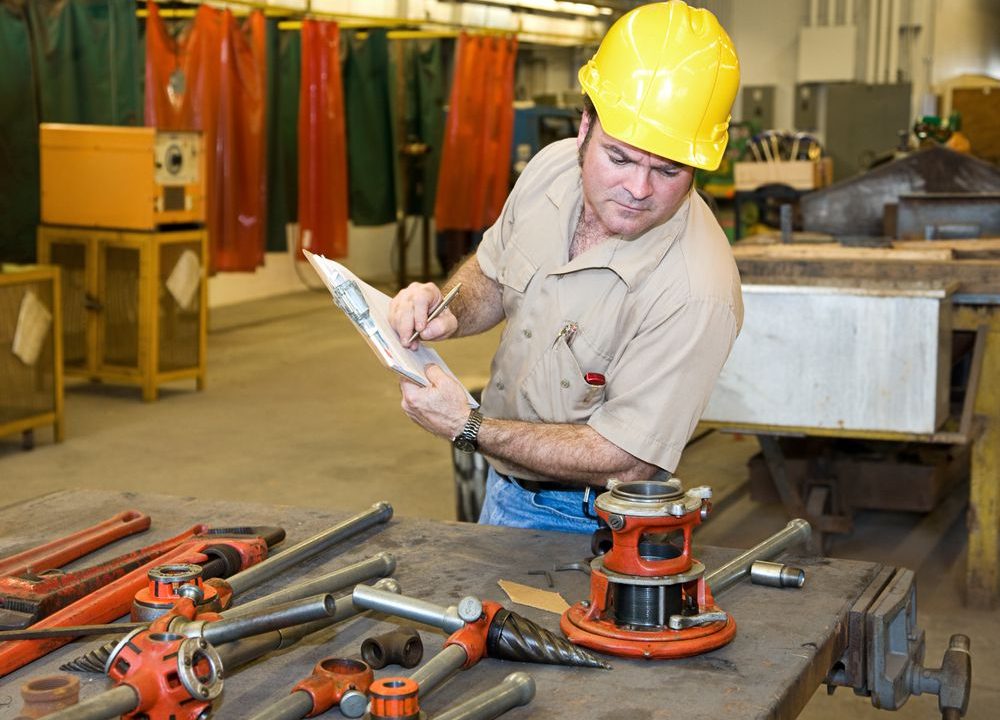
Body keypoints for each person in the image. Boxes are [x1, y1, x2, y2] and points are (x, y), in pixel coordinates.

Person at [388, 0, 743, 533]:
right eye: (619, 158)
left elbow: (628, 457)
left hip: (590, 524)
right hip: (503, 486)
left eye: (669, 170)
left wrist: (470, 426)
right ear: (583, 127)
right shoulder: (552, 168)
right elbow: (491, 274)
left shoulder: (697, 289)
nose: (639, 189)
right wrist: (445, 310)